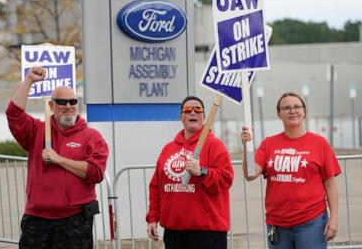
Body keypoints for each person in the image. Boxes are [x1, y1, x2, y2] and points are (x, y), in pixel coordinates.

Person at [6, 66, 109, 249]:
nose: (68, 106)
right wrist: (29, 80)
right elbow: (14, 114)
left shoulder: (92, 137)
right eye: (62, 102)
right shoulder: (36, 131)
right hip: (36, 219)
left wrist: (59, 159)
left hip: (75, 220)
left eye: (72, 101)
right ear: (51, 106)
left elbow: (96, 173)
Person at [241, 92, 341, 249]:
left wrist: (334, 218)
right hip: (278, 225)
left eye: (297, 107)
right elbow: (250, 174)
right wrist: (246, 147)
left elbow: (330, 184)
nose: (292, 111)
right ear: (279, 114)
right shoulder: (269, 144)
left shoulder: (320, 143)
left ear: (304, 111)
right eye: (286, 108)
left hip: (311, 223)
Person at [146, 96, 234, 249]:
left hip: (207, 231)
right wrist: (152, 218)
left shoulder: (214, 145)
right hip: (174, 231)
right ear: (181, 117)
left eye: (198, 110)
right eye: (187, 110)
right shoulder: (168, 149)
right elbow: (156, 187)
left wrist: (202, 172)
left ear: (204, 117)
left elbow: (226, 179)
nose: (193, 113)